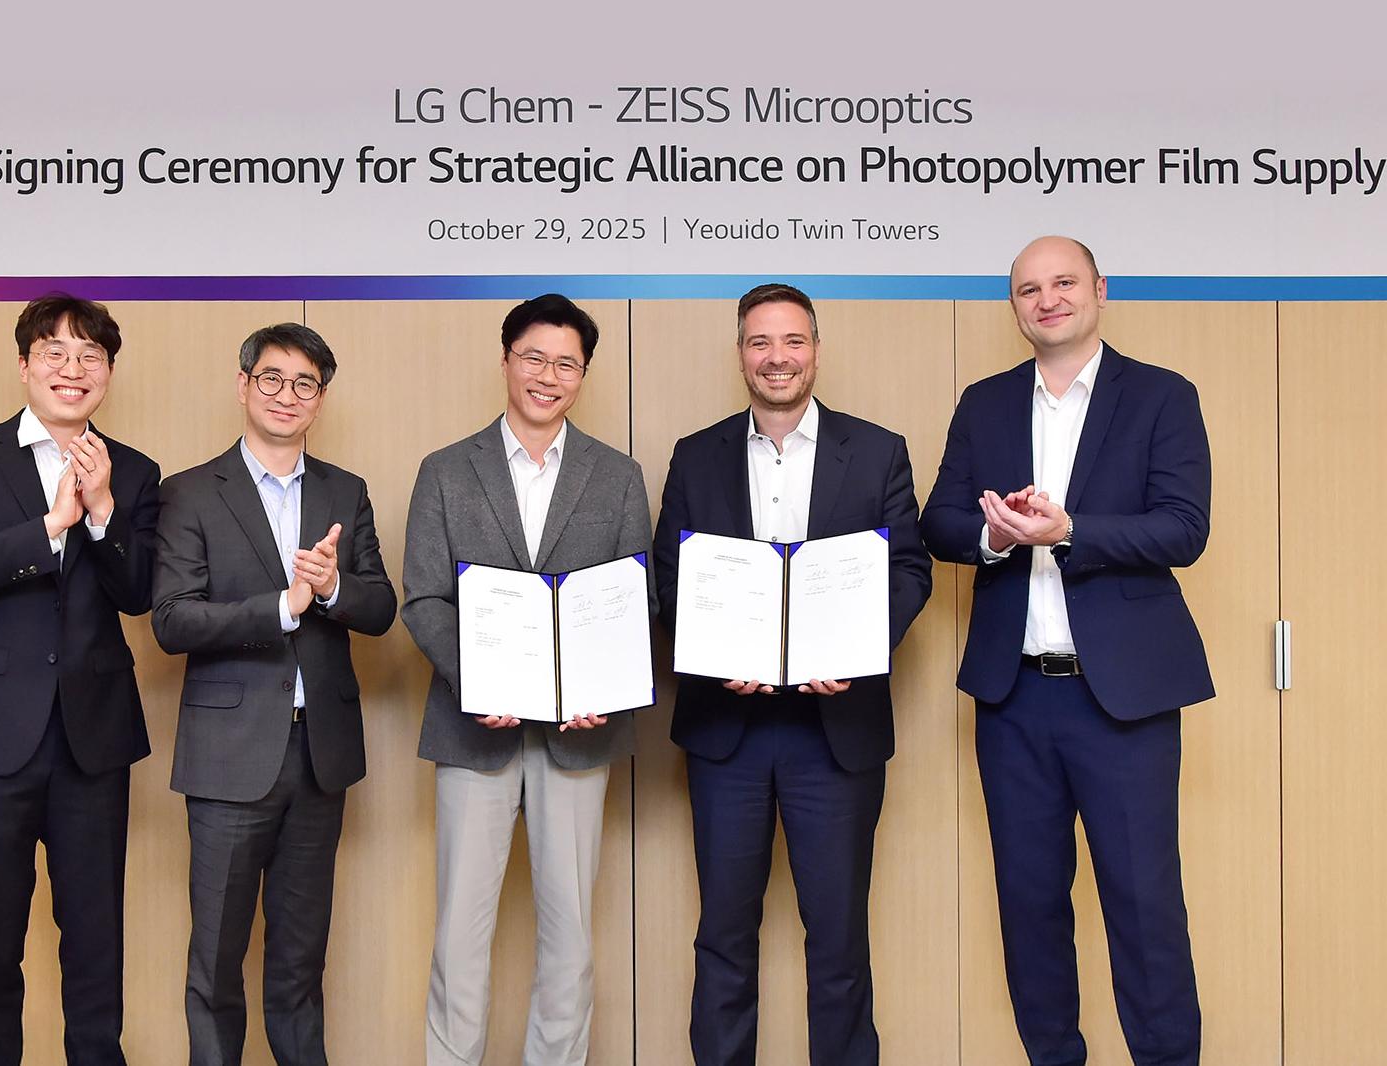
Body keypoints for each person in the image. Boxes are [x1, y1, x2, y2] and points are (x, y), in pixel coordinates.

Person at [920, 236, 1212, 1066]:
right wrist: (996, 534)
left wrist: (1072, 530)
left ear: (1099, 291)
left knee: (1145, 907)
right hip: (1014, 701)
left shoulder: (1161, 396)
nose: (1046, 300)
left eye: (1063, 284)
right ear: (1013, 306)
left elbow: (1183, 527)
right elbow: (939, 519)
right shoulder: (984, 403)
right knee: (1030, 906)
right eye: (1028, 289)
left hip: (1123, 701)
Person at [652, 283, 933, 1066]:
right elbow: (672, 580)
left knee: (839, 940)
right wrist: (714, 657)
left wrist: (856, 647)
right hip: (727, 734)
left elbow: (909, 572)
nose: (777, 358)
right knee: (724, 938)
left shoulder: (877, 450)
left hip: (834, 735)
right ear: (739, 351)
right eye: (759, 343)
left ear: (816, 348)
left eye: (792, 342)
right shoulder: (696, 453)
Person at [401, 294, 654, 1066]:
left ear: (584, 374)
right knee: (458, 936)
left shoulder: (616, 475)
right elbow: (425, 598)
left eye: (567, 363)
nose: (549, 376)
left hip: (580, 737)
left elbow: (632, 603)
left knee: (569, 936)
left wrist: (599, 690)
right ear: (506, 358)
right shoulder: (445, 470)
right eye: (535, 358)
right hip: (473, 731)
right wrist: (483, 684)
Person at [0, 293, 160, 1066]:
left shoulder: (137, 470)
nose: (73, 368)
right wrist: (50, 526)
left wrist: (99, 514)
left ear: (108, 375)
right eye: (54, 352)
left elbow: (139, 593)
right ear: (23, 366)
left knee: (95, 940)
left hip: (92, 736)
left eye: (90, 356)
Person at [151, 322, 396, 1066]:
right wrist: (282, 606)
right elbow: (171, 619)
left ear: (321, 398)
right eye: (272, 379)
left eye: (304, 384)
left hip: (318, 758)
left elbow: (381, 606)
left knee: (299, 959)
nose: (287, 396)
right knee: (217, 962)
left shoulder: (343, 491)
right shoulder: (190, 492)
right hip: (229, 758)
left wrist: (332, 591)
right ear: (243, 385)